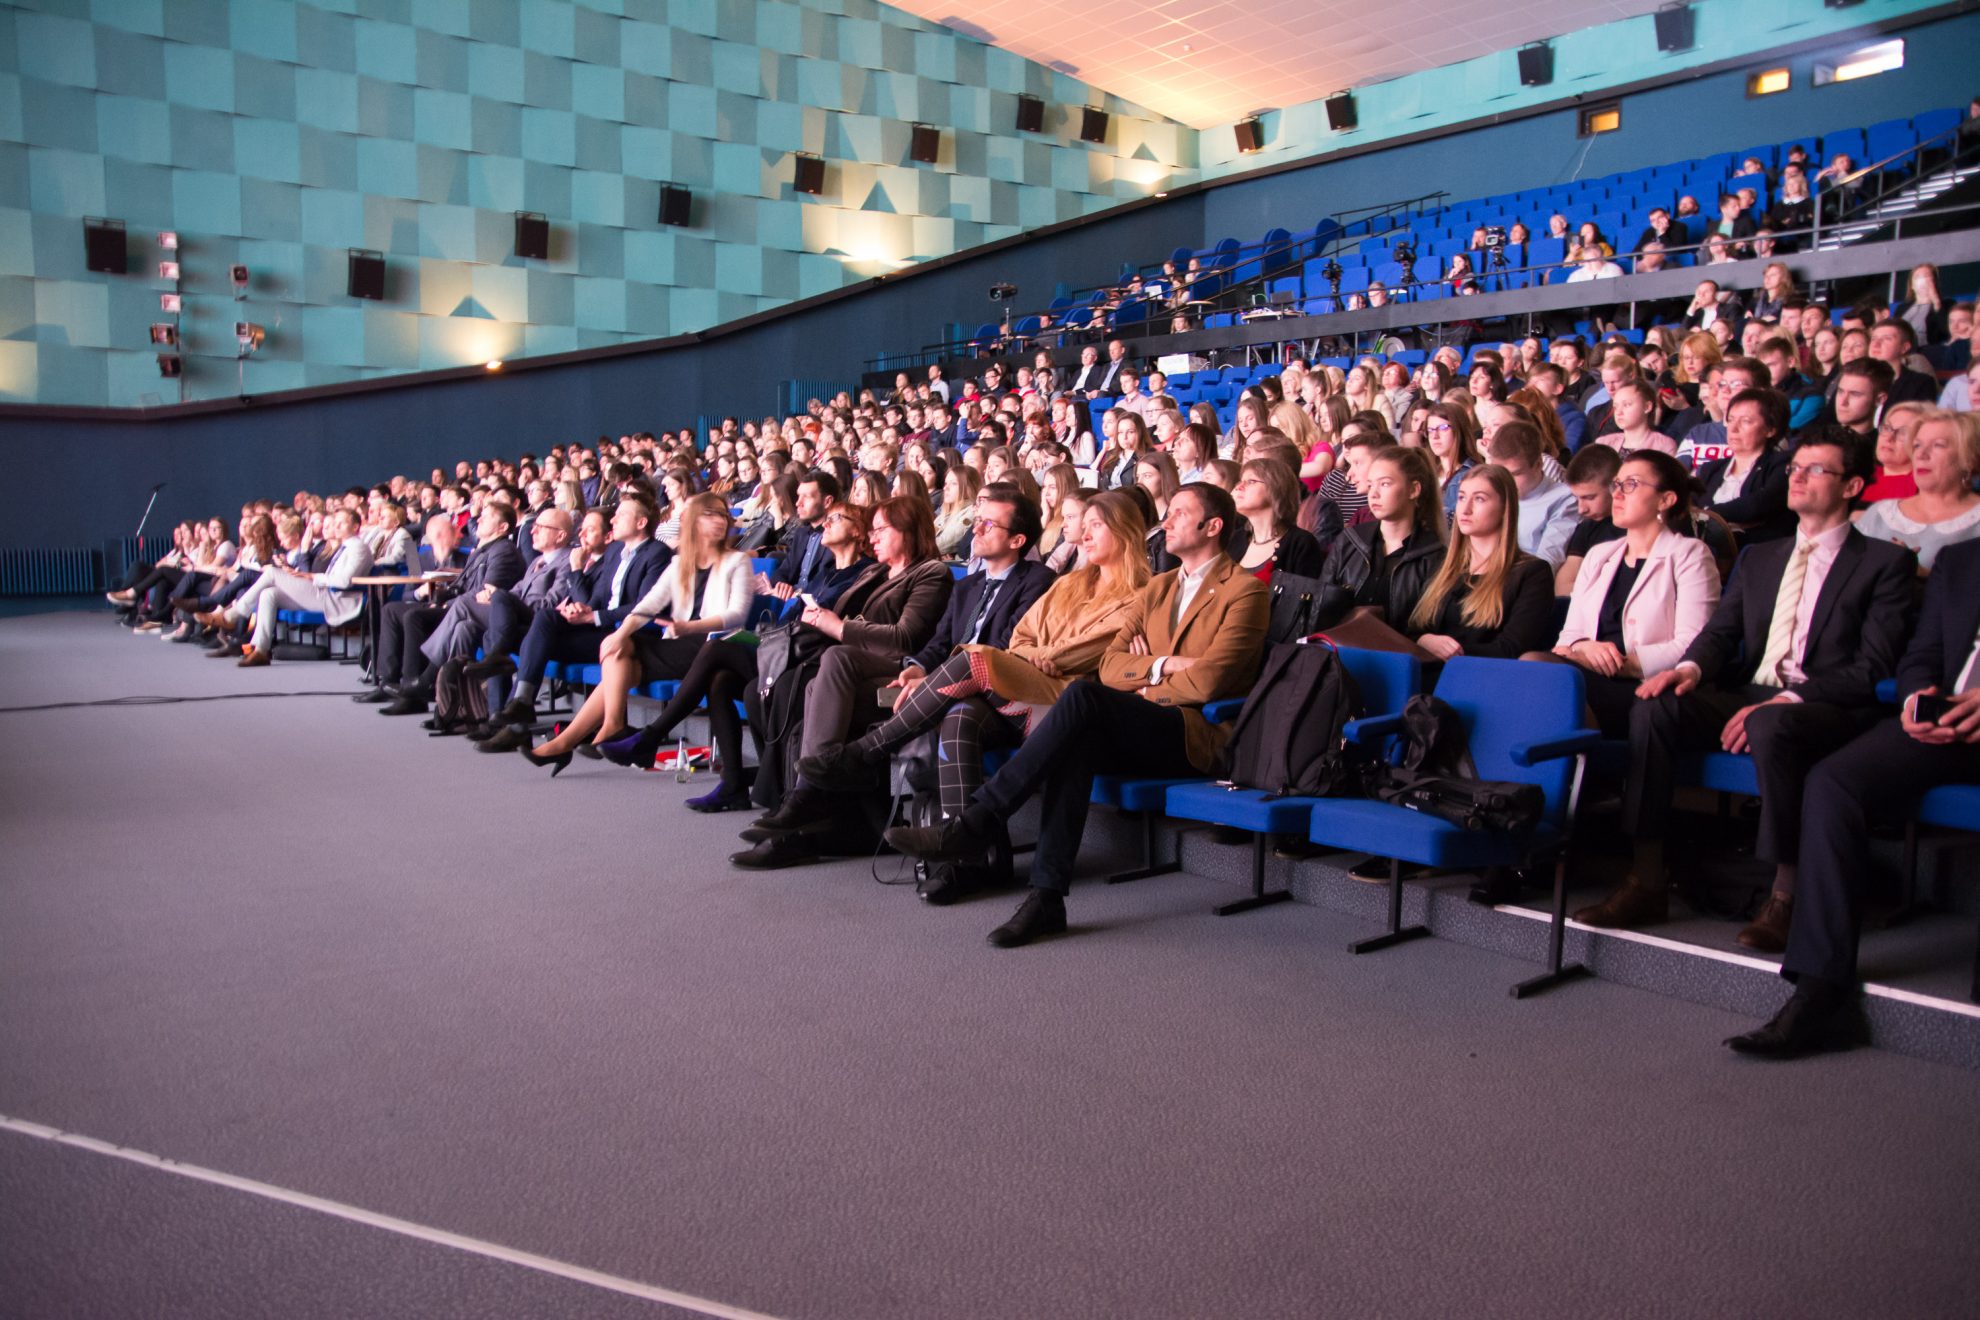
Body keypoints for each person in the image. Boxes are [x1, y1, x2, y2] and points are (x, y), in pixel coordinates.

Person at [884, 483, 1269, 948]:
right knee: (1078, 732)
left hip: (1192, 731)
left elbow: (1210, 681)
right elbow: (1111, 664)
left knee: (1083, 700)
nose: (1165, 522)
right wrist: (1162, 667)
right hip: (1139, 720)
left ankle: (976, 823)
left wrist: (1145, 675)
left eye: (1179, 514)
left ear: (1212, 526)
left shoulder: (1246, 592)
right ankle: (1047, 897)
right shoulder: (1161, 586)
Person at [1575, 428, 1918, 944]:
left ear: (1851, 487)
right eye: (1794, 469)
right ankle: (1645, 877)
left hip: (1823, 702)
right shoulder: (1762, 557)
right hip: (1749, 692)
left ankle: (1786, 892)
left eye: (1815, 470)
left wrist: (1787, 698)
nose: (1796, 477)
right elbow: (1719, 636)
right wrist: (1687, 670)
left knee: (1775, 722)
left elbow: (1871, 667)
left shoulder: (1885, 563)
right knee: (1655, 705)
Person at [801, 497, 1153, 900]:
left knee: (974, 658)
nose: (1084, 535)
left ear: (1124, 534)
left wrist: (1040, 655)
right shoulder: (1070, 584)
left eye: (1096, 526)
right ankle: (967, 860)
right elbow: (1022, 636)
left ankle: (866, 753)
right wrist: (1034, 655)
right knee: (960, 714)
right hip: (1024, 686)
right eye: (1084, 525)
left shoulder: (1142, 594)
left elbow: (1089, 650)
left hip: (1063, 704)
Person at [1726, 538, 1980, 1058]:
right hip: (1947, 721)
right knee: (1833, 781)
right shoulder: (1961, 559)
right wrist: (1916, 698)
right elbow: (1922, 654)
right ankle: (1819, 987)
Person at [729, 495, 954, 861]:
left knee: (830, 664)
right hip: (856, 669)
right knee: (805, 688)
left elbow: (904, 638)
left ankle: (803, 801)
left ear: (909, 532)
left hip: (900, 673)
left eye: (881, 529)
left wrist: (839, 627)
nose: (873, 536)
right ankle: (803, 814)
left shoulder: (931, 573)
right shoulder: (876, 573)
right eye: (872, 529)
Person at [521, 495, 754, 771]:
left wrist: (691, 626)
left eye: (721, 516)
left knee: (624, 656)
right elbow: (647, 606)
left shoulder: (737, 561)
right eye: (709, 515)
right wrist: (618, 635)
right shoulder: (680, 563)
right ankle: (600, 730)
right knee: (620, 650)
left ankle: (574, 740)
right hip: (678, 644)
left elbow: (736, 614)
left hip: (714, 646)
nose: (719, 521)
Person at [1545, 452, 1722, 736]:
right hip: (1587, 678)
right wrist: (1584, 647)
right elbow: (1569, 637)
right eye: (1616, 484)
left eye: (1631, 484)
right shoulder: (1599, 555)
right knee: (1535, 671)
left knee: (1537, 667)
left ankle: (1572, 765)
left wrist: (1620, 665)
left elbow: (1693, 644)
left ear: (1665, 499)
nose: (1618, 494)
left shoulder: (1689, 554)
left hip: (1645, 688)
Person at [483, 494, 670, 744]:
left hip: (628, 636)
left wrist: (593, 615)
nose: (614, 519)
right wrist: (581, 610)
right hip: (599, 630)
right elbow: (599, 596)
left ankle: (518, 721)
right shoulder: (615, 551)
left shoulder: (657, 553)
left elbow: (644, 607)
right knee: (543, 619)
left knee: (530, 639)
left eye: (622, 514)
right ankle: (522, 701)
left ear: (641, 523)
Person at [367, 503, 526, 713]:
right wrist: (420, 593)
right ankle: (388, 680)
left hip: (460, 607)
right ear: (431, 536)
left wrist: (442, 600)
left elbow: (479, 591)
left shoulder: (465, 554)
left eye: (451, 531)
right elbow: (408, 592)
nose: (454, 535)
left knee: (414, 617)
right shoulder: (416, 554)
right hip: (435, 601)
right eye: (441, 533)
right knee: (391, 610)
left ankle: (415, 686)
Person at [1406, 465, 1556, 661]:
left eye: (1479, 499)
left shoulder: (1532, 573)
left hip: (1483, 678)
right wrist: (1424, 640)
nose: (1465, 509)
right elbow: (1413, 628)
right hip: (1427, 674)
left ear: (1505, 508)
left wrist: (1450, 653)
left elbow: (1511, 649)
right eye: (1461, 497)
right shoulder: (1441, 564)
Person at [222, 508, 375, 667]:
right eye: (335, 523)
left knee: (273, 573)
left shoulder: (358, 547)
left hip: (338, 600)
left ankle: (235, 615)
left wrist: (313, 577)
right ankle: (260, 650)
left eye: (342, 523)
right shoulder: (345, 547)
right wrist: (305, 576)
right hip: (325, 593)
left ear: (356, 526)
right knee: (269, 593)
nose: (336, 526)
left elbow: (344, 582)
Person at [1317, 445, 1445, 622]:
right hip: (1341, 646)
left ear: (1414, 490)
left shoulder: (1433, 554)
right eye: (1370, 485)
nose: (1373, 494)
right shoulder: (1350, 540)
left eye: (1385, 484)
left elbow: (1430, 622)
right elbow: (1321, 605)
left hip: (1401, 648)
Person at [1854, 409, 1980, 572]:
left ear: (1970, 459)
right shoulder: (1880, 513)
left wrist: (1920, 573)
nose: (1921, 454)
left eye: (1938, 445)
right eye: (1917, 445)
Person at [1697, 387, 1794, 542]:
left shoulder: (1782, 464)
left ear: (1770, 429)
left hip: (1757, 554)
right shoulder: (1711, 469)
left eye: (1746, 421)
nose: (1733, 429)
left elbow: (1758, 505)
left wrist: (1705, 515)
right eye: (1730, 419)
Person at [1482, 422, 1579, 570]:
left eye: (1515, 474)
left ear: (1538, 464)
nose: (1506, 482)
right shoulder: (1491, 493)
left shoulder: (1565, 499)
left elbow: (1547, 563)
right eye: (1500, 473)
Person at [1229, 457, 1325, 580]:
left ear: (1277, 488)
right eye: (1240, 481)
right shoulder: (1234, 539)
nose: (1238, 487)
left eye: (1251, 481)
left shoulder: (1301, 544)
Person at [1555, 445, 1624, 594]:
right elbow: (1562, 587)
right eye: (1577, 498)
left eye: (1589, 498)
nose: (1581, 509)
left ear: (1615, 485)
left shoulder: (1637, 526)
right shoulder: (1587, 527)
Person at [1423, 404, 1481, 522]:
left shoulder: (1470, 475)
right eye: (1430, 430)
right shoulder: (1427, 472)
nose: (1435, 436)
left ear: (1459, 430)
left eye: (1443, 428)